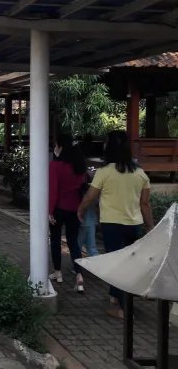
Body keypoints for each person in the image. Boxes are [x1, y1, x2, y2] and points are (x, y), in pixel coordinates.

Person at [78, 130, 154, 319]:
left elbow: (90, 196)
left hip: (112, 225)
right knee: (127, 264)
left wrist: (80, 210)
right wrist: (150, 226)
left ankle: (123, 309)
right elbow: (145, 204)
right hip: (134, 225)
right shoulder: (140, 174)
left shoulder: (104, 173)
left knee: (117, 266)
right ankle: (115, 296)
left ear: (110, 147)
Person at [49, 133, 87, 293]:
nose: (54, 148)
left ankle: (58, 273)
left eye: (56, 145)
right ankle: (79, 276)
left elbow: (53, 191)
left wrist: (49, 211)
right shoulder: (80, 167)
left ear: (61, 147)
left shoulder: (55, 166)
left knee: (56, 239)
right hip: (75, 209)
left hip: (58, 208)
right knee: (73, 242)